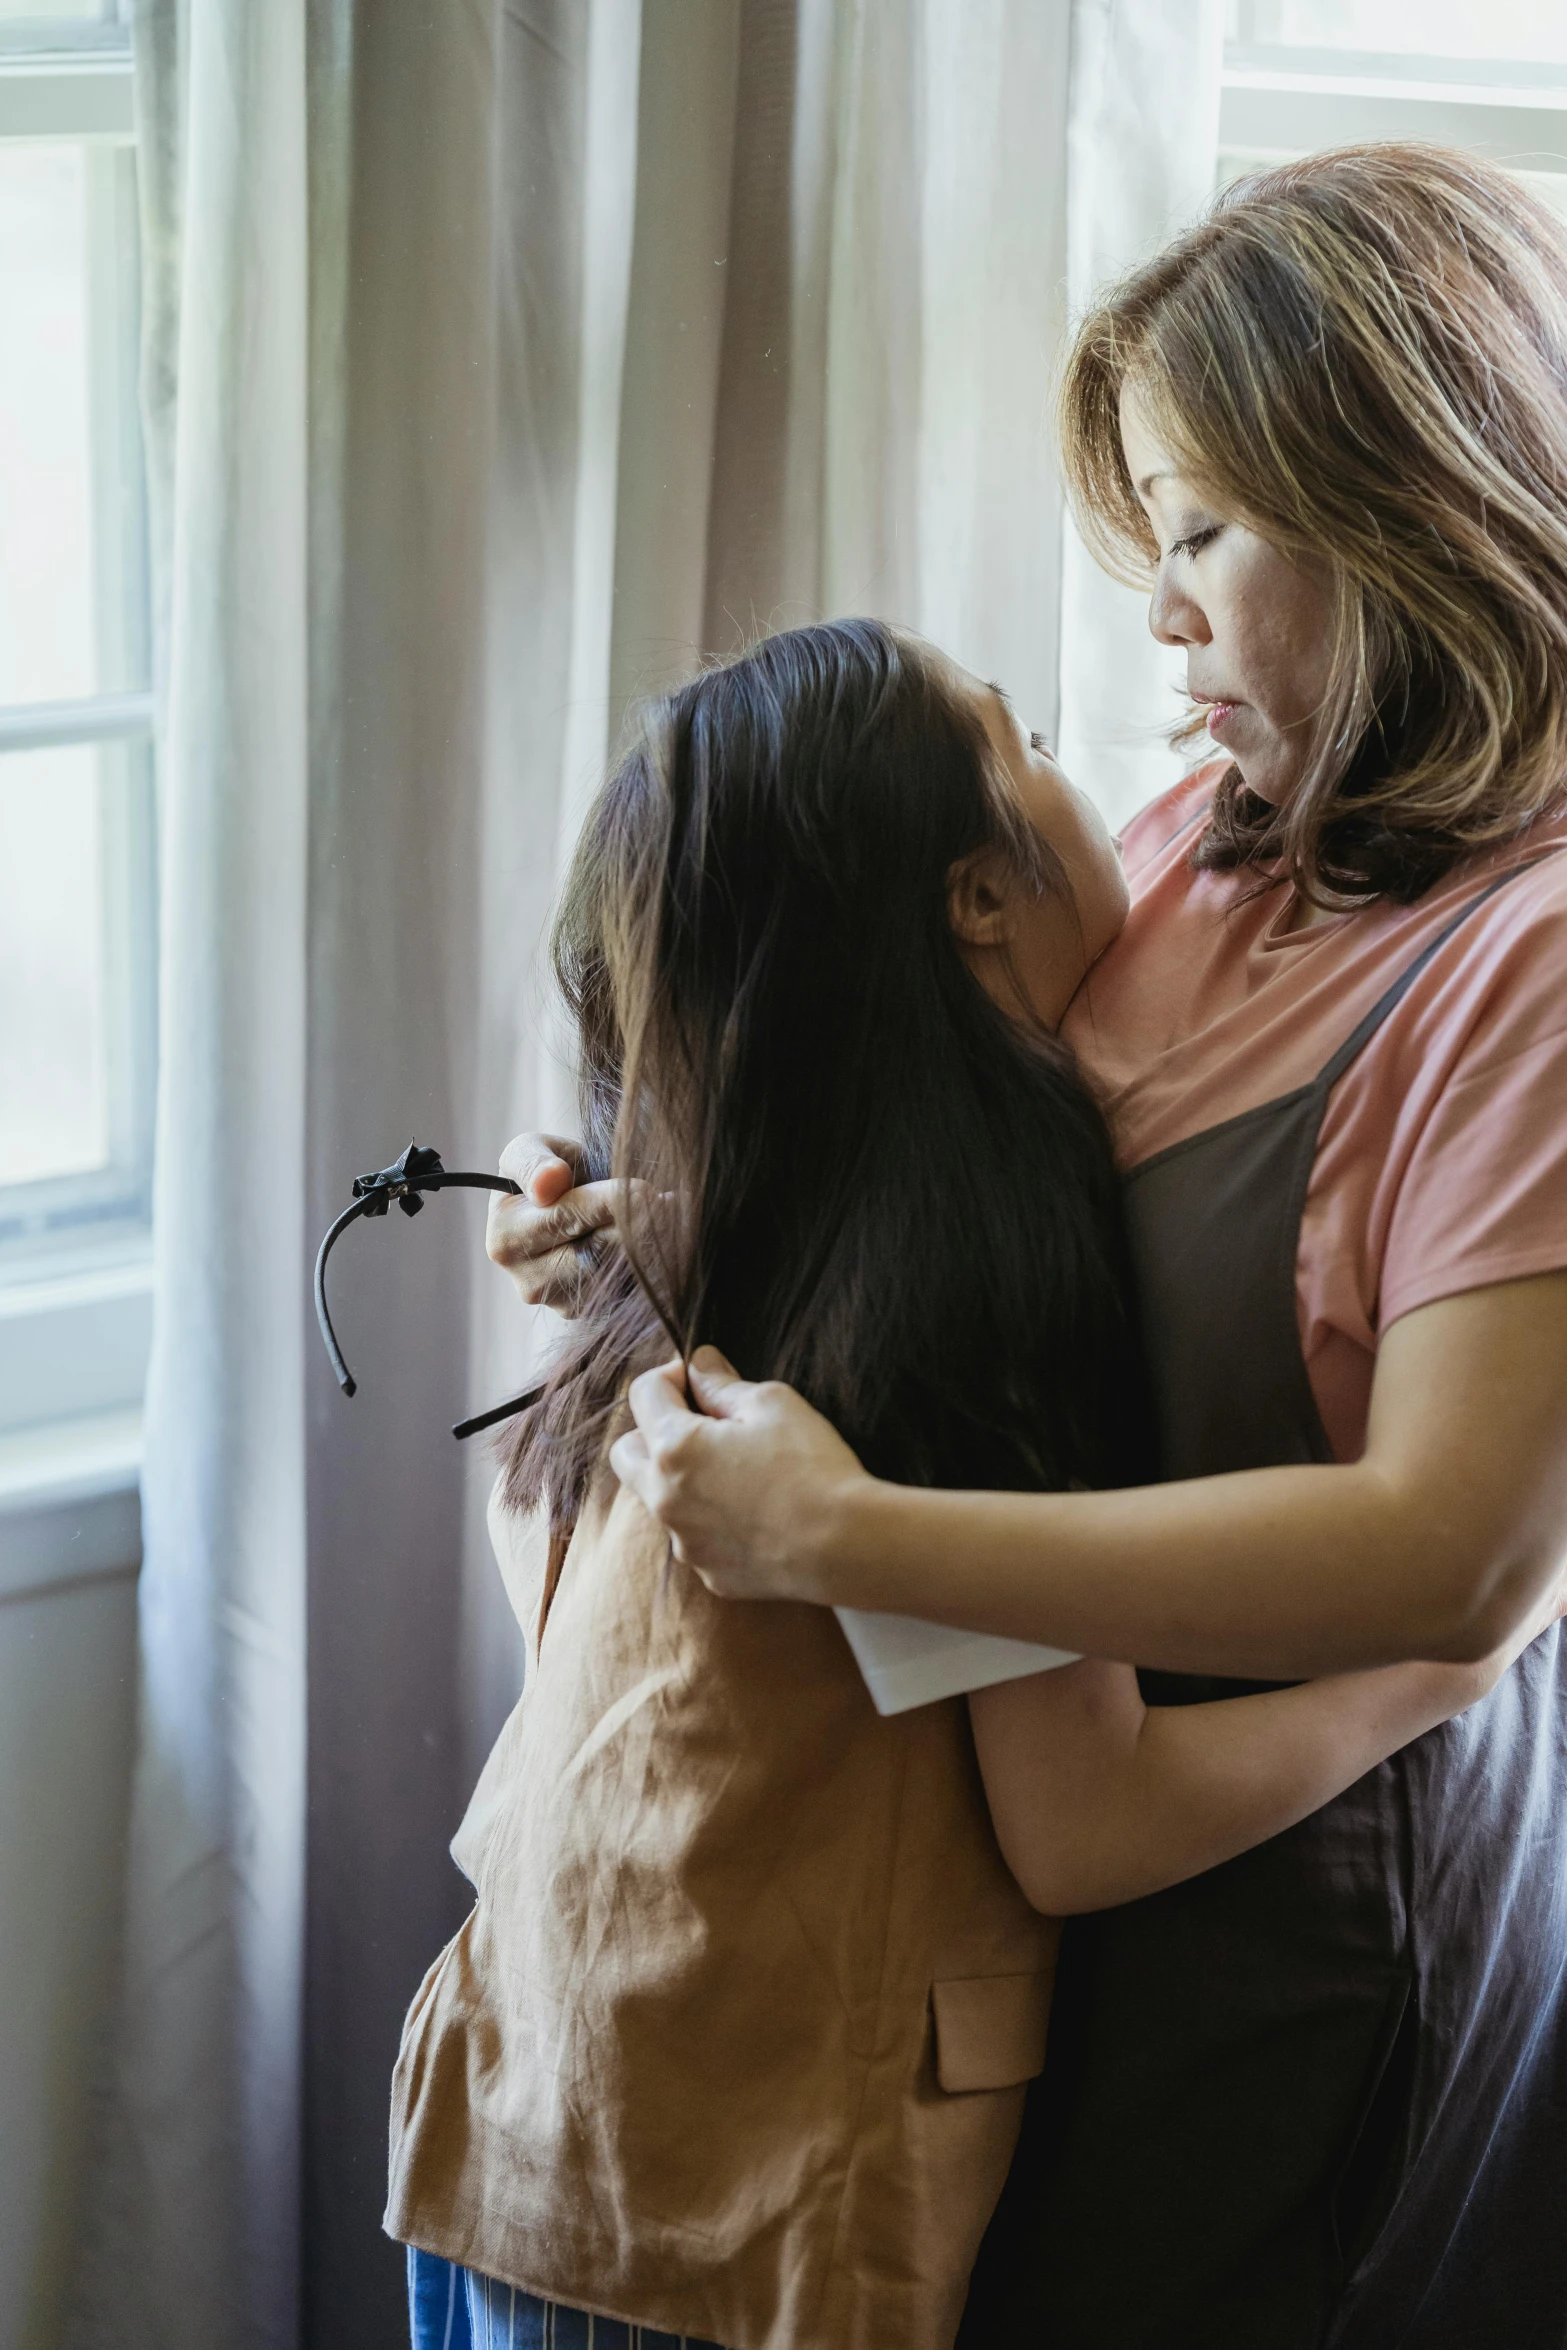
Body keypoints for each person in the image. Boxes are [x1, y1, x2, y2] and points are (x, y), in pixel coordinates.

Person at [511, 148, 1567, 2346]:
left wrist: (869, 1529)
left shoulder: (1530, 964)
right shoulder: (1210, 826)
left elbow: (1454, 1559)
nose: (1157, 619)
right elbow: (950, 1105)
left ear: (1399, 501)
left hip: (1299, 1909)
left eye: (1198, 533)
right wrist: (679, 1213)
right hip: (1024, 1888)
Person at [386, 621, 1537, 2350]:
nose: (1121, 797)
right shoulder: (960, 1303)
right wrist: (1429, 1671)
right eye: (1038, 748)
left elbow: (539, 1567)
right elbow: (1086, 1823)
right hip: (744, 2226)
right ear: (972, 902)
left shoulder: (738, 1228)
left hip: (514, 2113)